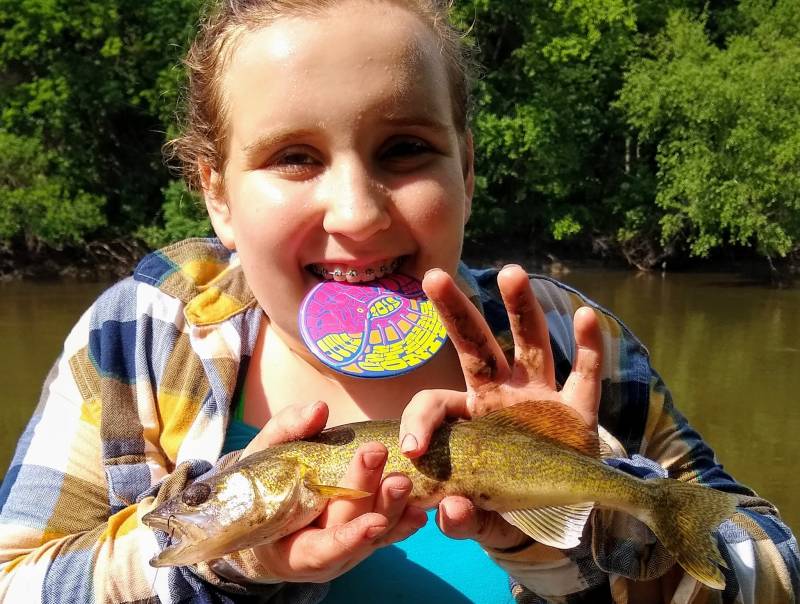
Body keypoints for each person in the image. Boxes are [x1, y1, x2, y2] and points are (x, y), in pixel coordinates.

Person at [0, 1, 797, 602]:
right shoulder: (138, 337)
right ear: (216, 194)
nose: (357, 212)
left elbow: (775, 569)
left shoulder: (566, 343)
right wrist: (229, 560)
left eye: (405, 149)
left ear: (468, 169)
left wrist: (583, 521)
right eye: (294, 157)